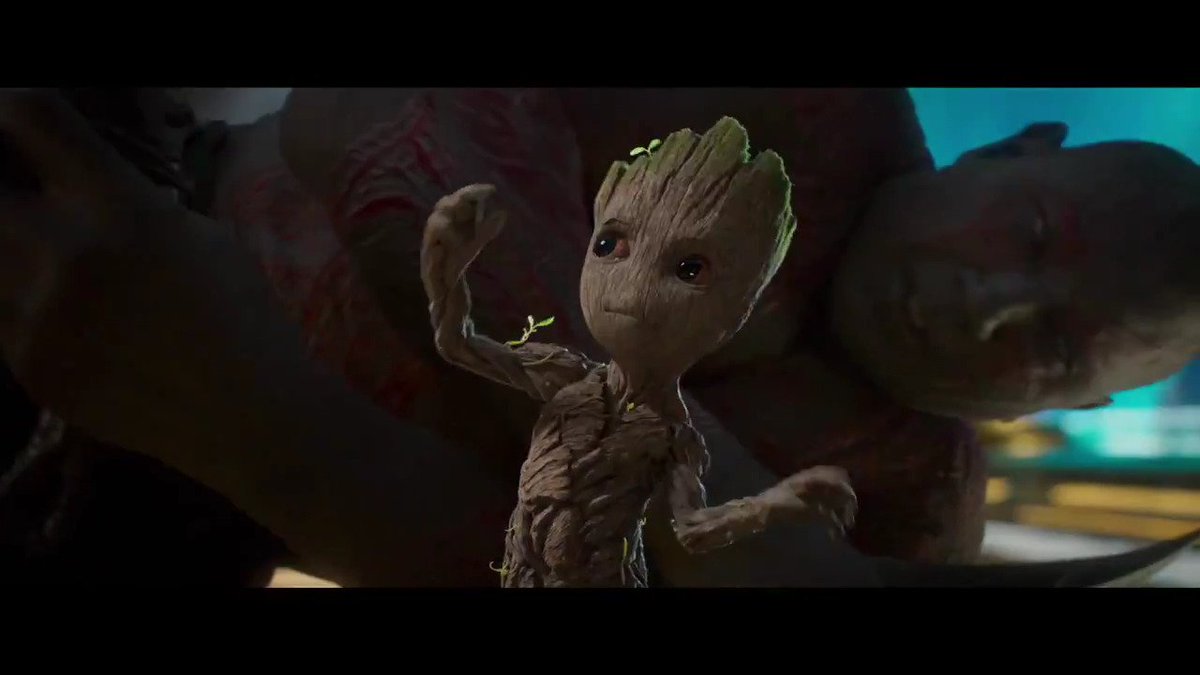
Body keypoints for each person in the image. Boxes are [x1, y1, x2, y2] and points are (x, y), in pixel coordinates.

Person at [0, 88, 1196, 586]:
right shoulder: (809, 111)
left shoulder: (910, 504)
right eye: (1030, 235)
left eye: (1054, 346)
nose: (983, 302)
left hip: (186, 508)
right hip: (136, 199)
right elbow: (369, 124)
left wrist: (272, 433)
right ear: (1018, 148)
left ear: (1067, 408)